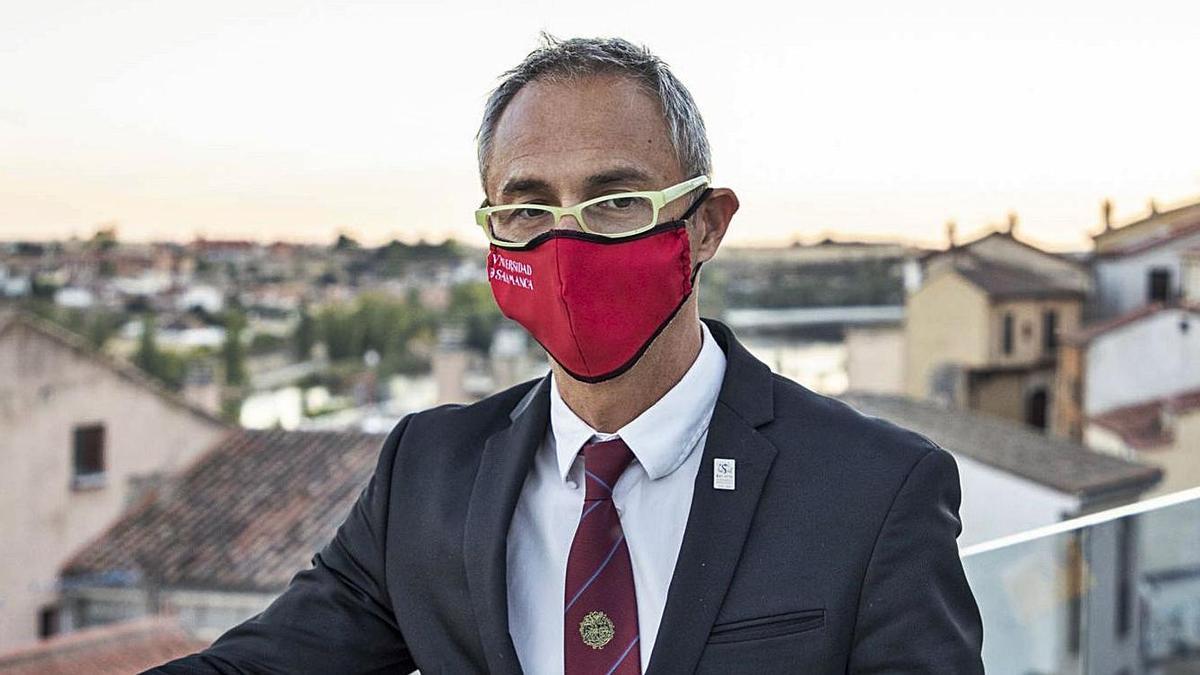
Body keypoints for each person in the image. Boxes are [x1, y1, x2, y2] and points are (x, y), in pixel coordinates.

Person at [148, 35, 983, 674]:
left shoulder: (873, 490)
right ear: (493, 232)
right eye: (528, 208)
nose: (567, 239)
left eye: (615, 203)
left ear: (706, 225)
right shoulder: (428, 474)